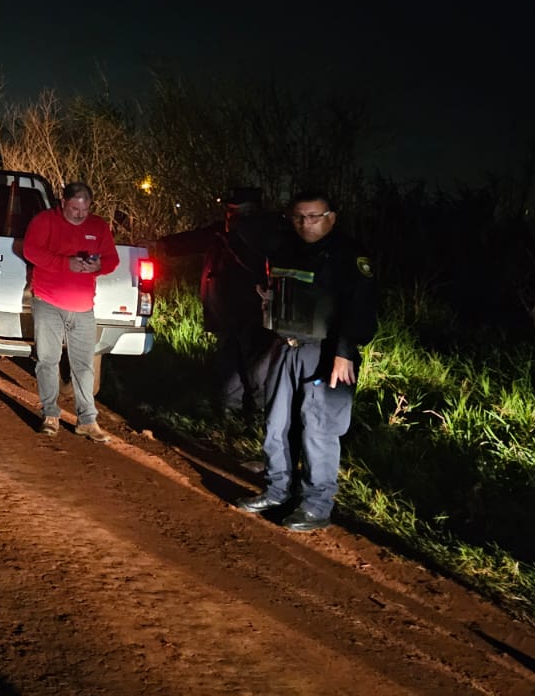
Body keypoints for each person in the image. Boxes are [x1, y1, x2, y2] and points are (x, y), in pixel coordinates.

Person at [236, 190, 378, 532]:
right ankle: (277, 491)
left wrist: (345, 352)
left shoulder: (348, 254)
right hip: (285, 347)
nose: (305, 223)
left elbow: (360, 307)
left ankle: (316, 506)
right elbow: (247, 230)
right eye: (298, 217)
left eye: (314, 216)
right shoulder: (288, 246)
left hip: (327, 353)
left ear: (331, 217)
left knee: (319, 430)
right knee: (276, 424)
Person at [159, 188, 283, 417]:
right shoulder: (222, 232)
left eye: (237, 211)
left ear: (252, 211)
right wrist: (162, 245)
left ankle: (257, 414)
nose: (230, 215)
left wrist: (238, 234)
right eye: (229, 210)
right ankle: (229, 410)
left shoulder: (265, 234)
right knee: (229, 364)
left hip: (254, 314)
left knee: (256, 368)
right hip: (226, 314)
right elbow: (194, 239)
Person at [19, 181, 120, 442]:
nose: (79, 214)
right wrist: (67, 265)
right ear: (63, 203)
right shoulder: (44, 221)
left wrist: (97, 266)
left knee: (84, 366)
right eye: (74, 208)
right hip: (48, 302)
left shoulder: (98, 226)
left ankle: (87, 420)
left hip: (83, 307)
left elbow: (112, 259)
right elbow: (31, 250)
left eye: (84, 210)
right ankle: (50, 414)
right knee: (48, 360)